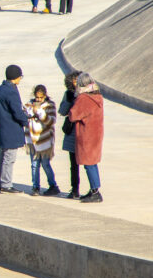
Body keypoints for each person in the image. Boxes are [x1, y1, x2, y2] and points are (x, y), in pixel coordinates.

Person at [68, 72, 105, 203]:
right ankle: (94, 189)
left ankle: (95, 192)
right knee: (93, 164)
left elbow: (73, 115)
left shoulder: (83, 99)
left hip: (86, 135)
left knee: (88, 164)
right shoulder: (97, 97)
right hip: (96, 134)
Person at [0, 64, 28, 193]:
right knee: (9, 158)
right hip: (11, 129)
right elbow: (17, 112)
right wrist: (26, 121)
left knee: (2, 157)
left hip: (3, 128)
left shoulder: (1, 88)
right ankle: (6, 184)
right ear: (15, 77)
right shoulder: (11, 91)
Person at [25, 84, 60, 196]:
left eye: (41, 97)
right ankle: (35, 187)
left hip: (44, 140)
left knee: (45, 164)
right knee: (34, 164)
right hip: (32, 140)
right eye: (37, 97)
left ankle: (53, 185)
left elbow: (51, 121)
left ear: (45, 96)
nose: (39, 100)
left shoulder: (50, 105)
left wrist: (39, 112)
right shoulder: (29, 105)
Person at [58, 71, 82, 199]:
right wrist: (68, 100)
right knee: (74, 165)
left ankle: (93, 189)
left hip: (83, 132)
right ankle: (75, 189)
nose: (76, 82)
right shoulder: (68, 94)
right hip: (72, 132)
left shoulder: (86, 94)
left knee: (88, 164)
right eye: (74, 80)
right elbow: (62, 111)